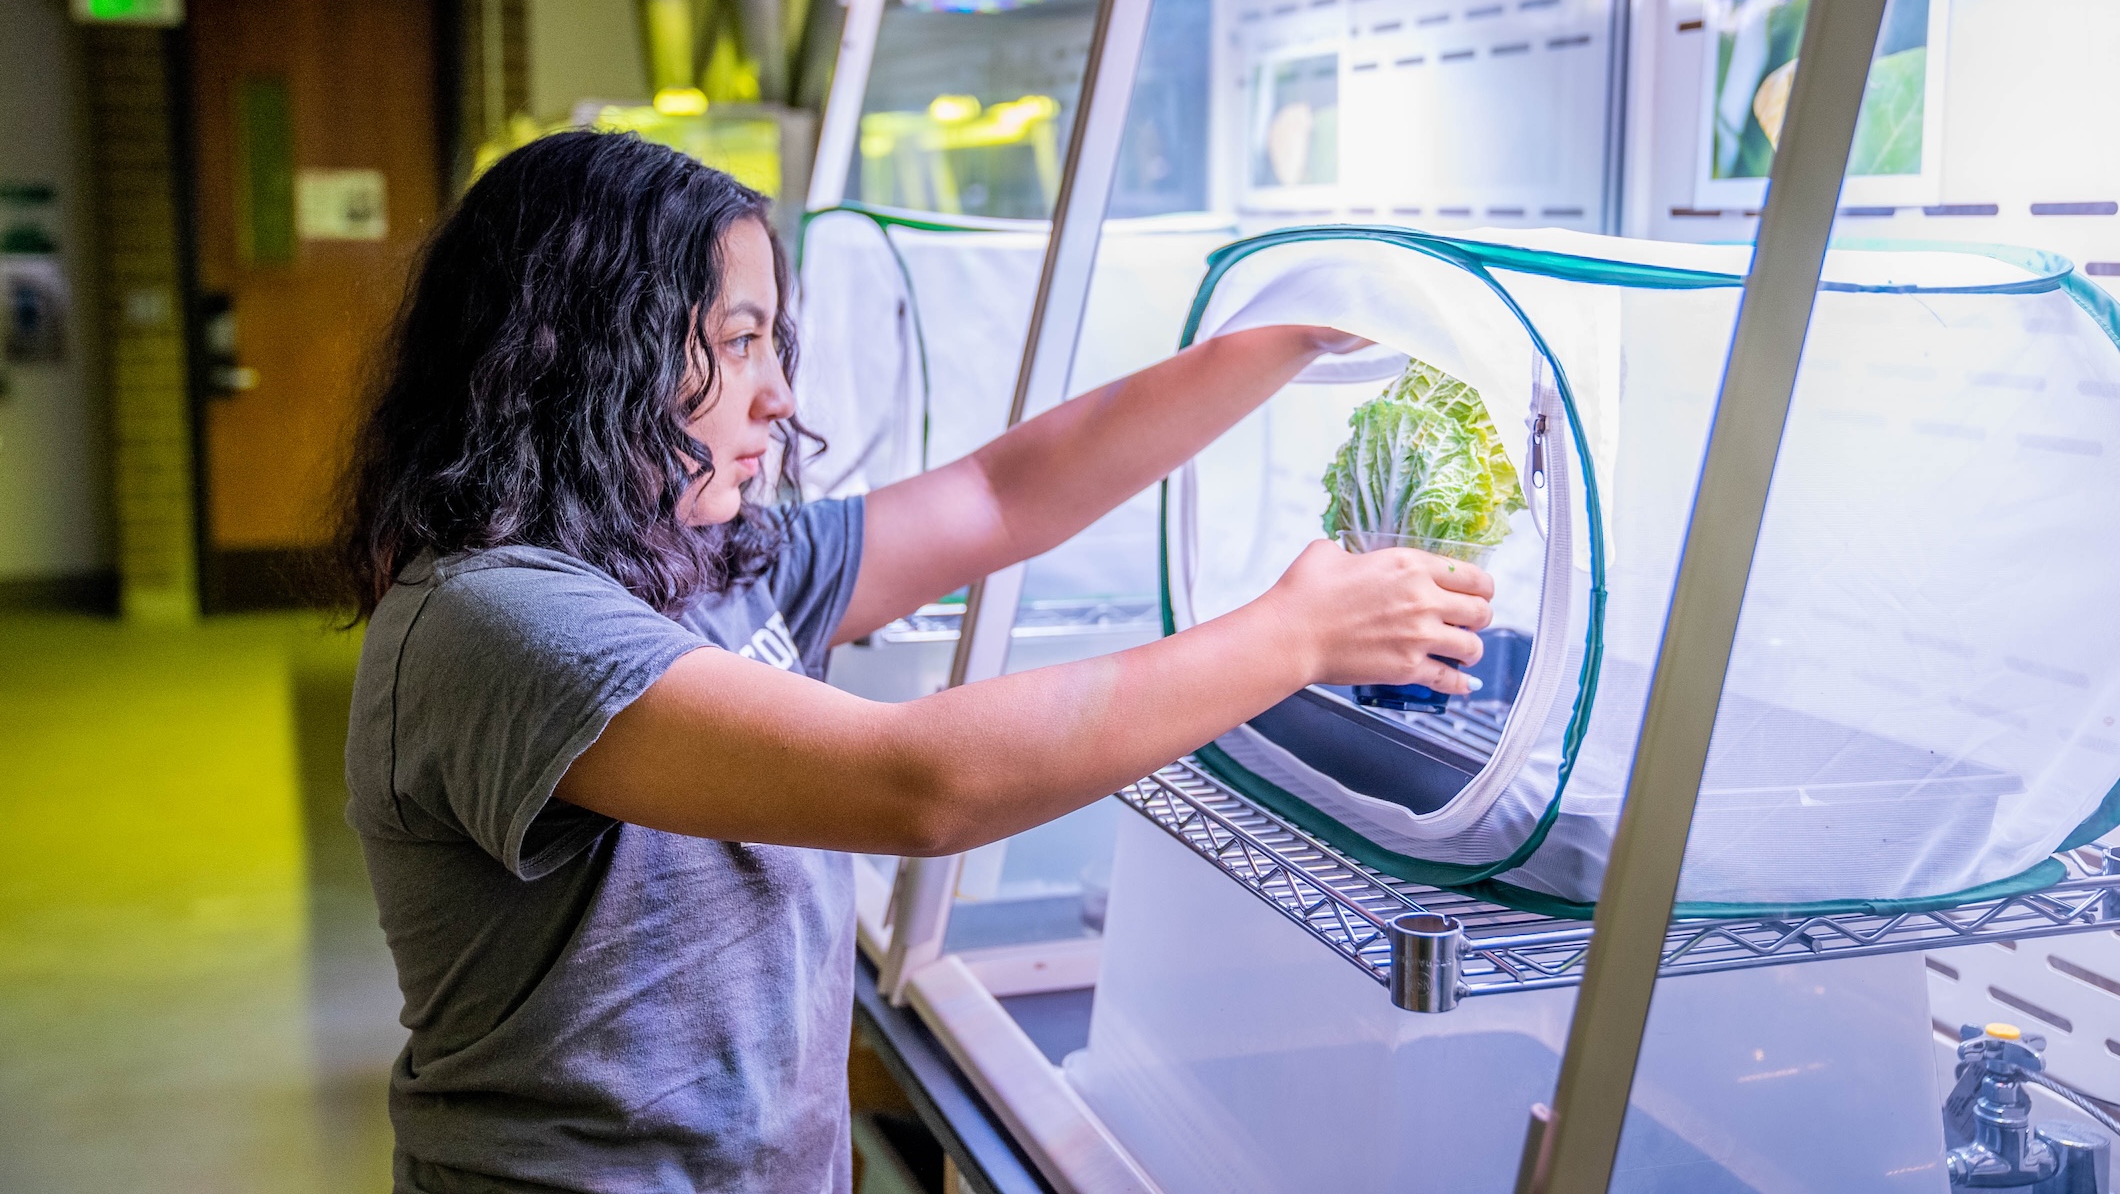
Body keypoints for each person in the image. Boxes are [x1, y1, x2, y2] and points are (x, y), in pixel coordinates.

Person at [339, 129, 1493, 1193]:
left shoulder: (699, 559)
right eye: (737, 341)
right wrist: (1294, 636)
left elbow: (999, 494)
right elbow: (916, 782)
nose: (777, 396)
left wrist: (1290, 336)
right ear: (589, 355)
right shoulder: (493, 623)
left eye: (771, 342)